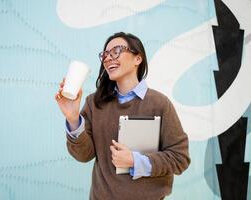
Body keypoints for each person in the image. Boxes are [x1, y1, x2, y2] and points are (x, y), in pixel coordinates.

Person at [55, 32, 190, 200]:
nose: (108, 58)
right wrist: (73, 118)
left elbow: (180, 158)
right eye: (105, 54)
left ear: (137, 59)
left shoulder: (160, 104)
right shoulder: (94, 103)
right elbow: (83, 155)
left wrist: (135, 161)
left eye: (117, 50)